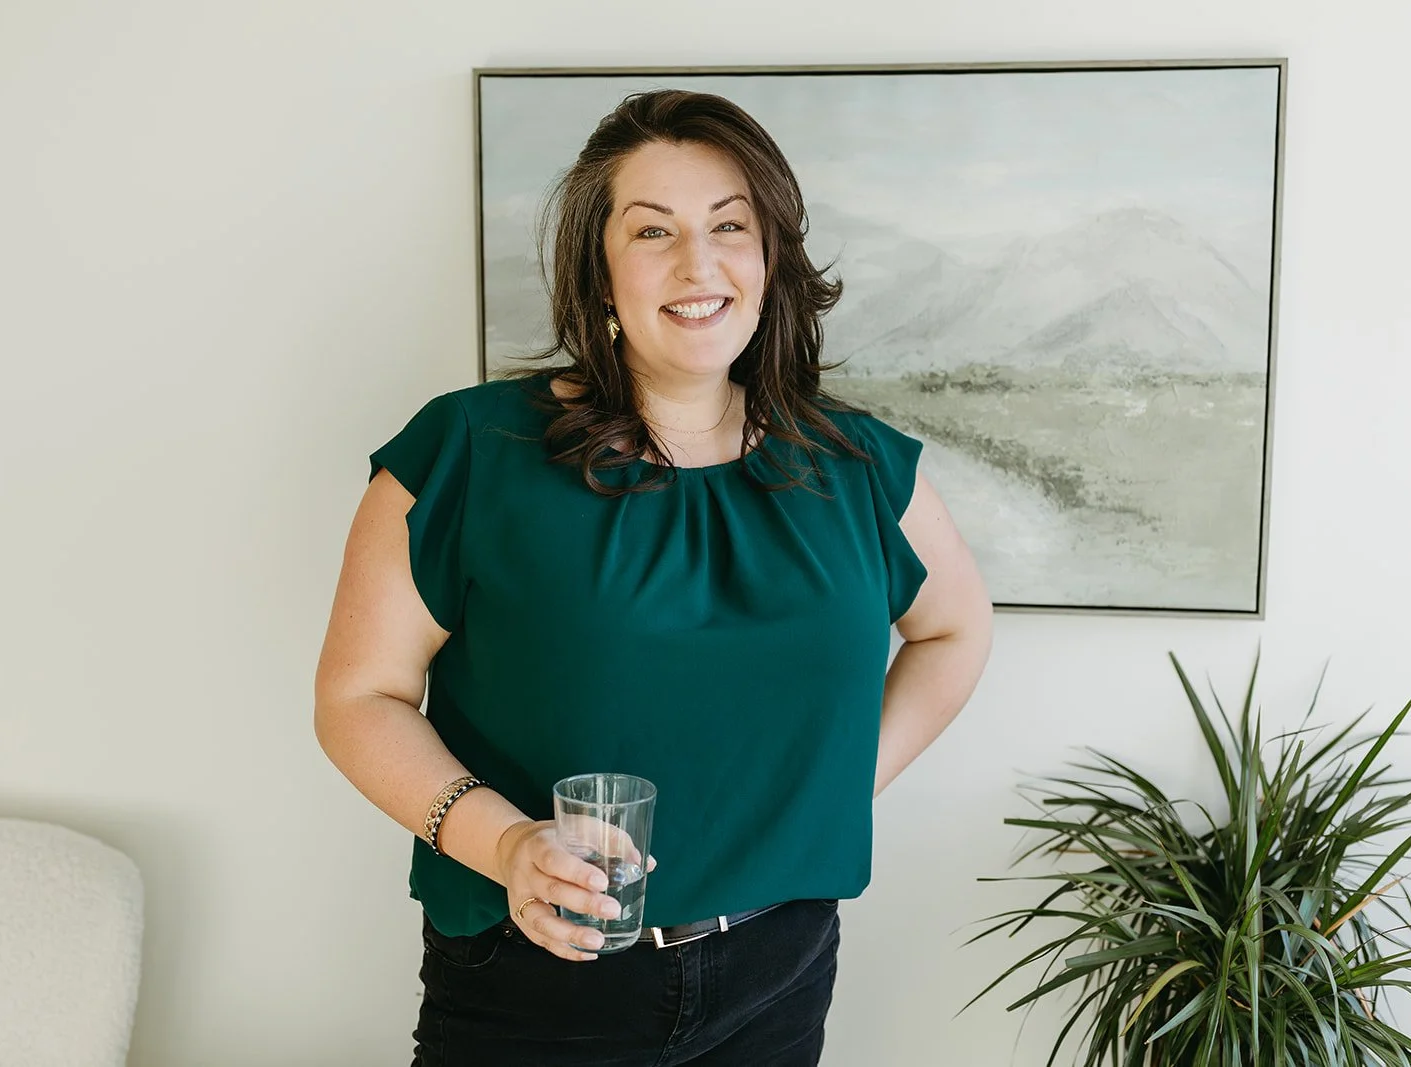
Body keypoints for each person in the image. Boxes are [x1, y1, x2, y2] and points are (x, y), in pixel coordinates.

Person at [314, 88, 994, 1066]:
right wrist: (508, 845)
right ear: (597, 274)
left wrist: (838, 786)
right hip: (534, 979)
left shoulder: (856, 465)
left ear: (769, 263)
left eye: (729, 226)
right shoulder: (467, 449)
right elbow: (357, 696)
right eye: (652, 232)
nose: (698, 263)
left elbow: (954, 630)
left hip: (779, 967)